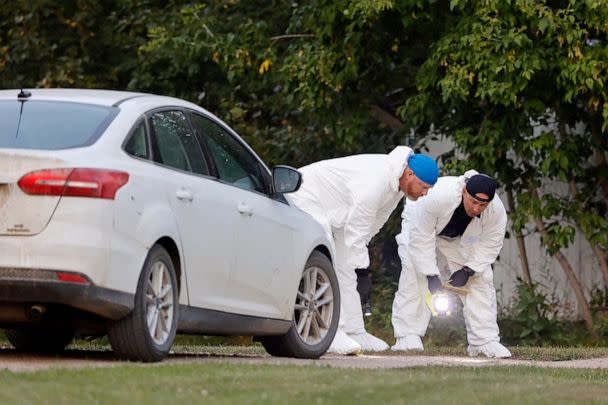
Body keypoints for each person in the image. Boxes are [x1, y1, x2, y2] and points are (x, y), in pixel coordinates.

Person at [286, 146, 439, 354]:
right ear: (410, 174)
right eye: (424, 187)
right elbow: (357, 229)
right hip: (304, 195)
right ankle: (331, 332)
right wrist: (361, 271)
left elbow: (371, 226)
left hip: (335, 213)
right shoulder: (376, 182)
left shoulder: (395, 186)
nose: (425, 193)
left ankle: (354, 330)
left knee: (346, 266)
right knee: (327, 258)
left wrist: (358, 265)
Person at [391, 171, 512, 358]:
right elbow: (421, 239)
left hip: (455, 237)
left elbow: (491, 244)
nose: (476, 209)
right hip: (420, 225)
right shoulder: (437, 196)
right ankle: (407, 336)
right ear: (464, 191)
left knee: (481, 278)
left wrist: (468, 269)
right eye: (473, 201)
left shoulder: (496, 211)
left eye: (482, 205)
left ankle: (484, 341)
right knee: (414, 274)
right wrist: (431, 275)